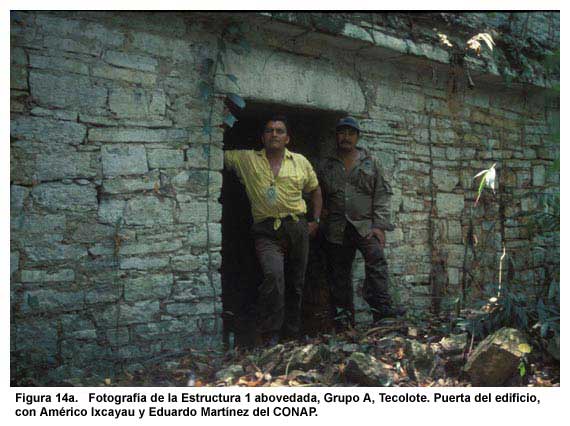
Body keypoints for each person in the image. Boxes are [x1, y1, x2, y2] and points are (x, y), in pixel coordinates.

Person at [224, 115, 322, 345]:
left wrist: (315, 220)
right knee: (273, 276)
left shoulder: (300, 161)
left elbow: (316, 190)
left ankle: (293, 333)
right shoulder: (247, 159)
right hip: (266, 230)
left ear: (287, 138)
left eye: (279, 131)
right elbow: (213, 151)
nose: (274, 134)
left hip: (297, 226)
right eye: (269, 130)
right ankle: (271, 333)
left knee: (296, 283)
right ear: (263, 137)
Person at [318, 116, 405, 331]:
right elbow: (316, 191)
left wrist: (379, 226)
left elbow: (382, 195)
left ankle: (382, 313)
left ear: (357, 137)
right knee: (339, 273)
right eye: (342, 132)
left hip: (365, 226)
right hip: (337, 228)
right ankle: (344, 321)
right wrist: (321, 214)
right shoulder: (326, 165)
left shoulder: (370, 163)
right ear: (336, 136)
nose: (346, 137)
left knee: (376, 261)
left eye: (351, 133)